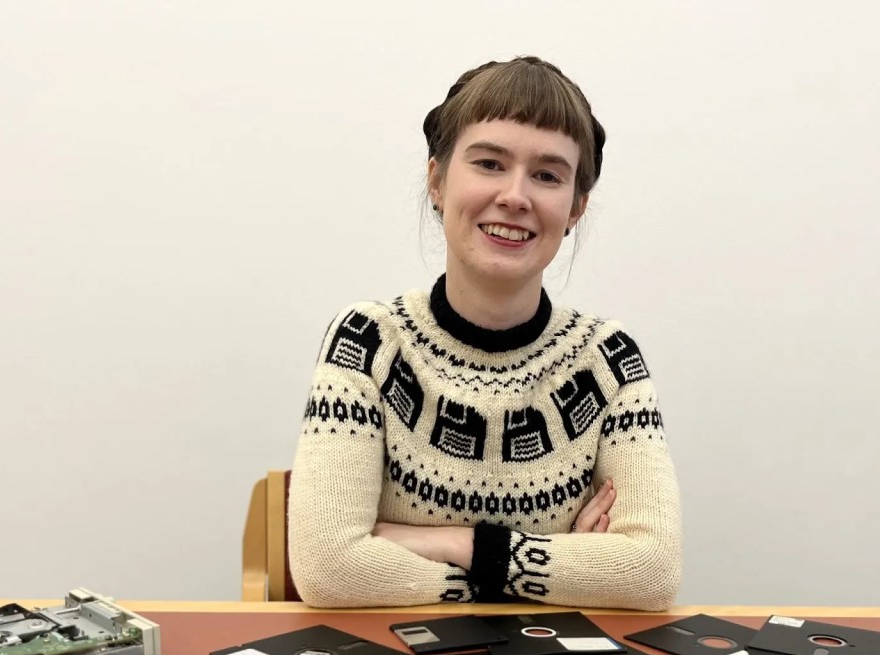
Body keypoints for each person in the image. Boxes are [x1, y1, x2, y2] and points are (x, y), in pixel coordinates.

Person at [288, 56, 682, 610]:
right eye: (490, 163)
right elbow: (329, 570)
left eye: (547, 175)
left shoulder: (608, 358)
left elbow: (650, 572)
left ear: (575, 208)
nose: (516, 196)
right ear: (437, 180)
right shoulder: (369, 340)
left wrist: (455, 545)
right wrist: (559, 565)